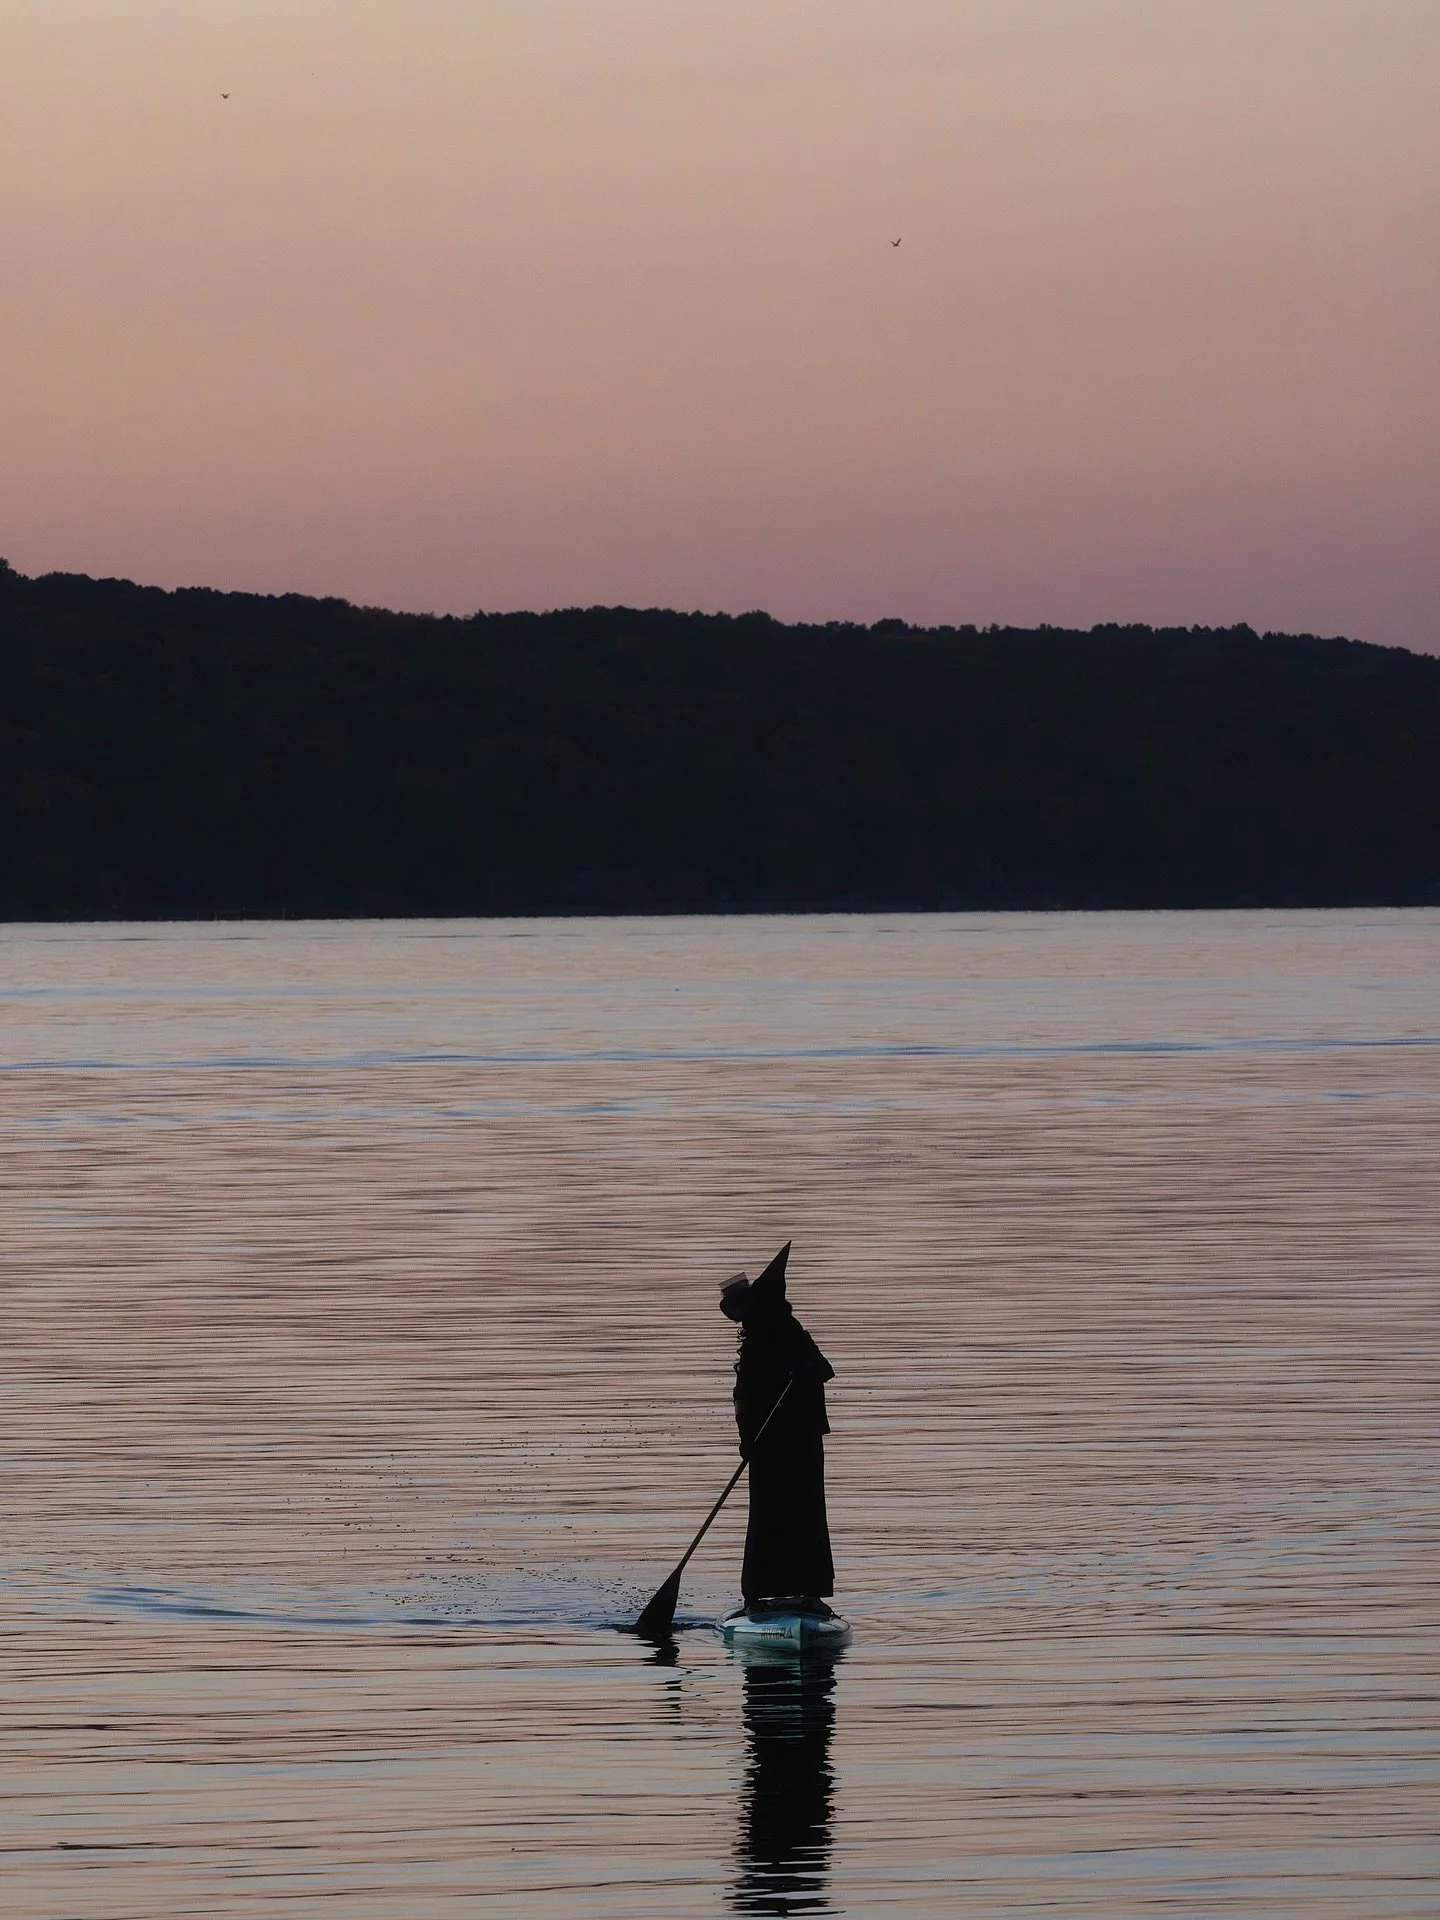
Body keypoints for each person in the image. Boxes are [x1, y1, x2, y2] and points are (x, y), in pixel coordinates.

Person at [720, 1242, 836, 1613]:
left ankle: (810, 1592)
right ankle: (757, 1595)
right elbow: (744, 1397)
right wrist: (747, 1439)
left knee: (805, 1513)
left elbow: (823, 1370)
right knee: (767, 1515)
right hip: (766, 1443)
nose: (742, 1323)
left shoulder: (789, 1331)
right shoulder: (756, 1339)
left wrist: (802, 1370)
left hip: (800, 1439)